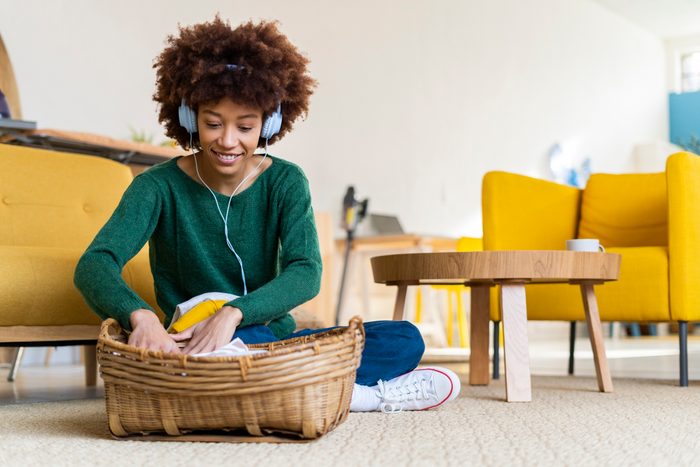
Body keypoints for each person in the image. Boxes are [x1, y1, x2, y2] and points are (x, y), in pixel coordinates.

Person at [74, 17, 460, 413]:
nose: (227, 141)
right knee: (214, 353)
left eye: (245, 126)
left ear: (269, 123)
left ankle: (240, 385)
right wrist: (141, 319)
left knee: (404, 338)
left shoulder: (287, 182)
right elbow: (94, 264)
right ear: (190, 119)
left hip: (268, 338)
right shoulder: (156, 187)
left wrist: (234, 313)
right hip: (195, 342)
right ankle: (345, 392)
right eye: (212, 124)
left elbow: (305, 271)